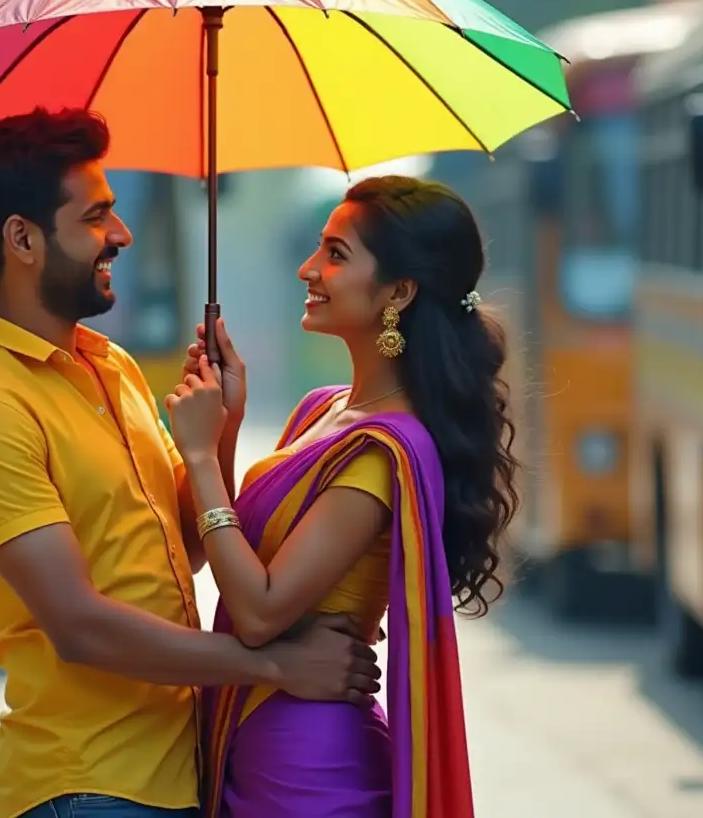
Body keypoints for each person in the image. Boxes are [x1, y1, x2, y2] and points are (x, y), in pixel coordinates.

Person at [0, 107, 381, 818]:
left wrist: (220, 432)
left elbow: (188, 548)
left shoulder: (112, 368)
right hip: (88, 786)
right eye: (96, 216)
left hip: (176, 772)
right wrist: (275, 666)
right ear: (22, 239)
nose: (121, 235)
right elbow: (79, 625)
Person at [165, 175, 522, 818]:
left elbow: (261, 611)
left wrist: (196, 455)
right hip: (265, 744)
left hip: (309, 771)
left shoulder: (383, 452)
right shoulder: (321, 411)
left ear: (398, 292)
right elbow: (231, 551)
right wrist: (224, 431)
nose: (309, 268)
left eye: (336, 254)